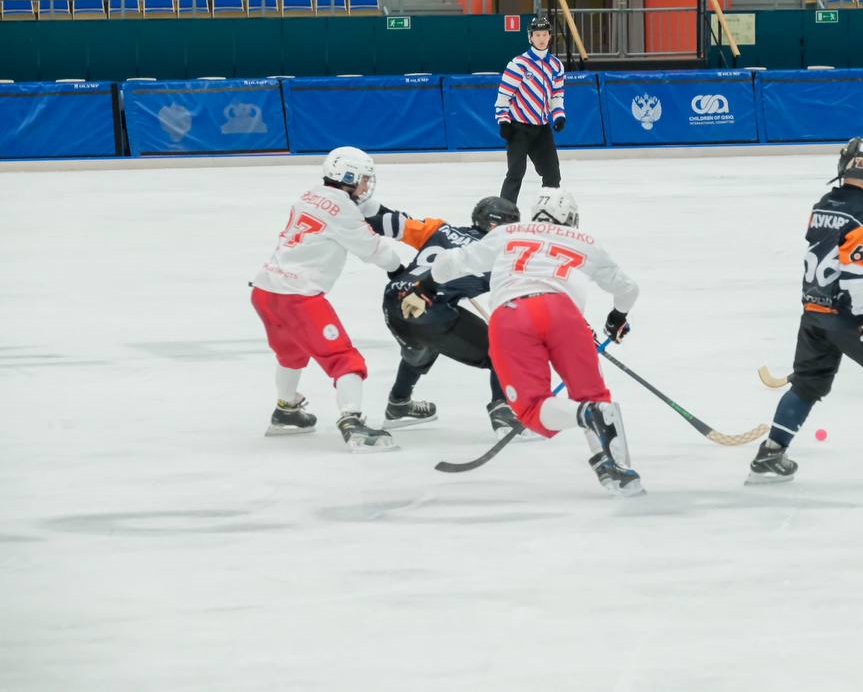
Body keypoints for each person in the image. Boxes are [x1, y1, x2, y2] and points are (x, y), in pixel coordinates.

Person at [414, 189, 642, 495]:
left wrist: (426, 286)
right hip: (565, 314)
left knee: (532, 408)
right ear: (572, 219)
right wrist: (616, 319)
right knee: (595, 396)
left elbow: (452, 262)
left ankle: (586, 416)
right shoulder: (585, 241)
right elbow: (627, 289)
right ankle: (622, 472)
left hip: (514, 313)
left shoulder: (508, 232)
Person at [746, 137, 863, 487]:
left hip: (813, 310)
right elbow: (856, 279)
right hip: (850, 315)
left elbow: (831, 252)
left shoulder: (823, 204)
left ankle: (770, 453)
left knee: (808, 384)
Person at [250, 147, 404, 452]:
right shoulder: (343, 210)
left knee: (291, 353)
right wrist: (399, 268)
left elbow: (355, 207)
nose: (365, 185)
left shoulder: (309, 195)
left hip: (266, 291)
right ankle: (353, 423)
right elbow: (371, 248)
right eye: (362, 179)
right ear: (347, 178)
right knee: (344, 360)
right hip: (298, 297)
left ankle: (286, 410)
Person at [379, 196, 529, 438]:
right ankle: (503, 412)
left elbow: (394, 223)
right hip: (429, 312)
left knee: (421, 345)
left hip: (393, 302)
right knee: (506, 348)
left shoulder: (440, 228)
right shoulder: (501, 255)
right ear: (496, 227)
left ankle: (399, 402)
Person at [496, 15, 566, 205]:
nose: (541, 38)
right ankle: (504, 214)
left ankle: (550, 211)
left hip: (542, 129)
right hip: (519, 128)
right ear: (530, 38)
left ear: (550, 36)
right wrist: (503, 120)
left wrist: (559, 115)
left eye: (544, 34)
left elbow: (557, 95)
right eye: (537, 35)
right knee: (515, 173)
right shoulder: (518, 64)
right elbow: (503, 96)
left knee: (553, 174)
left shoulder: (556, 65)